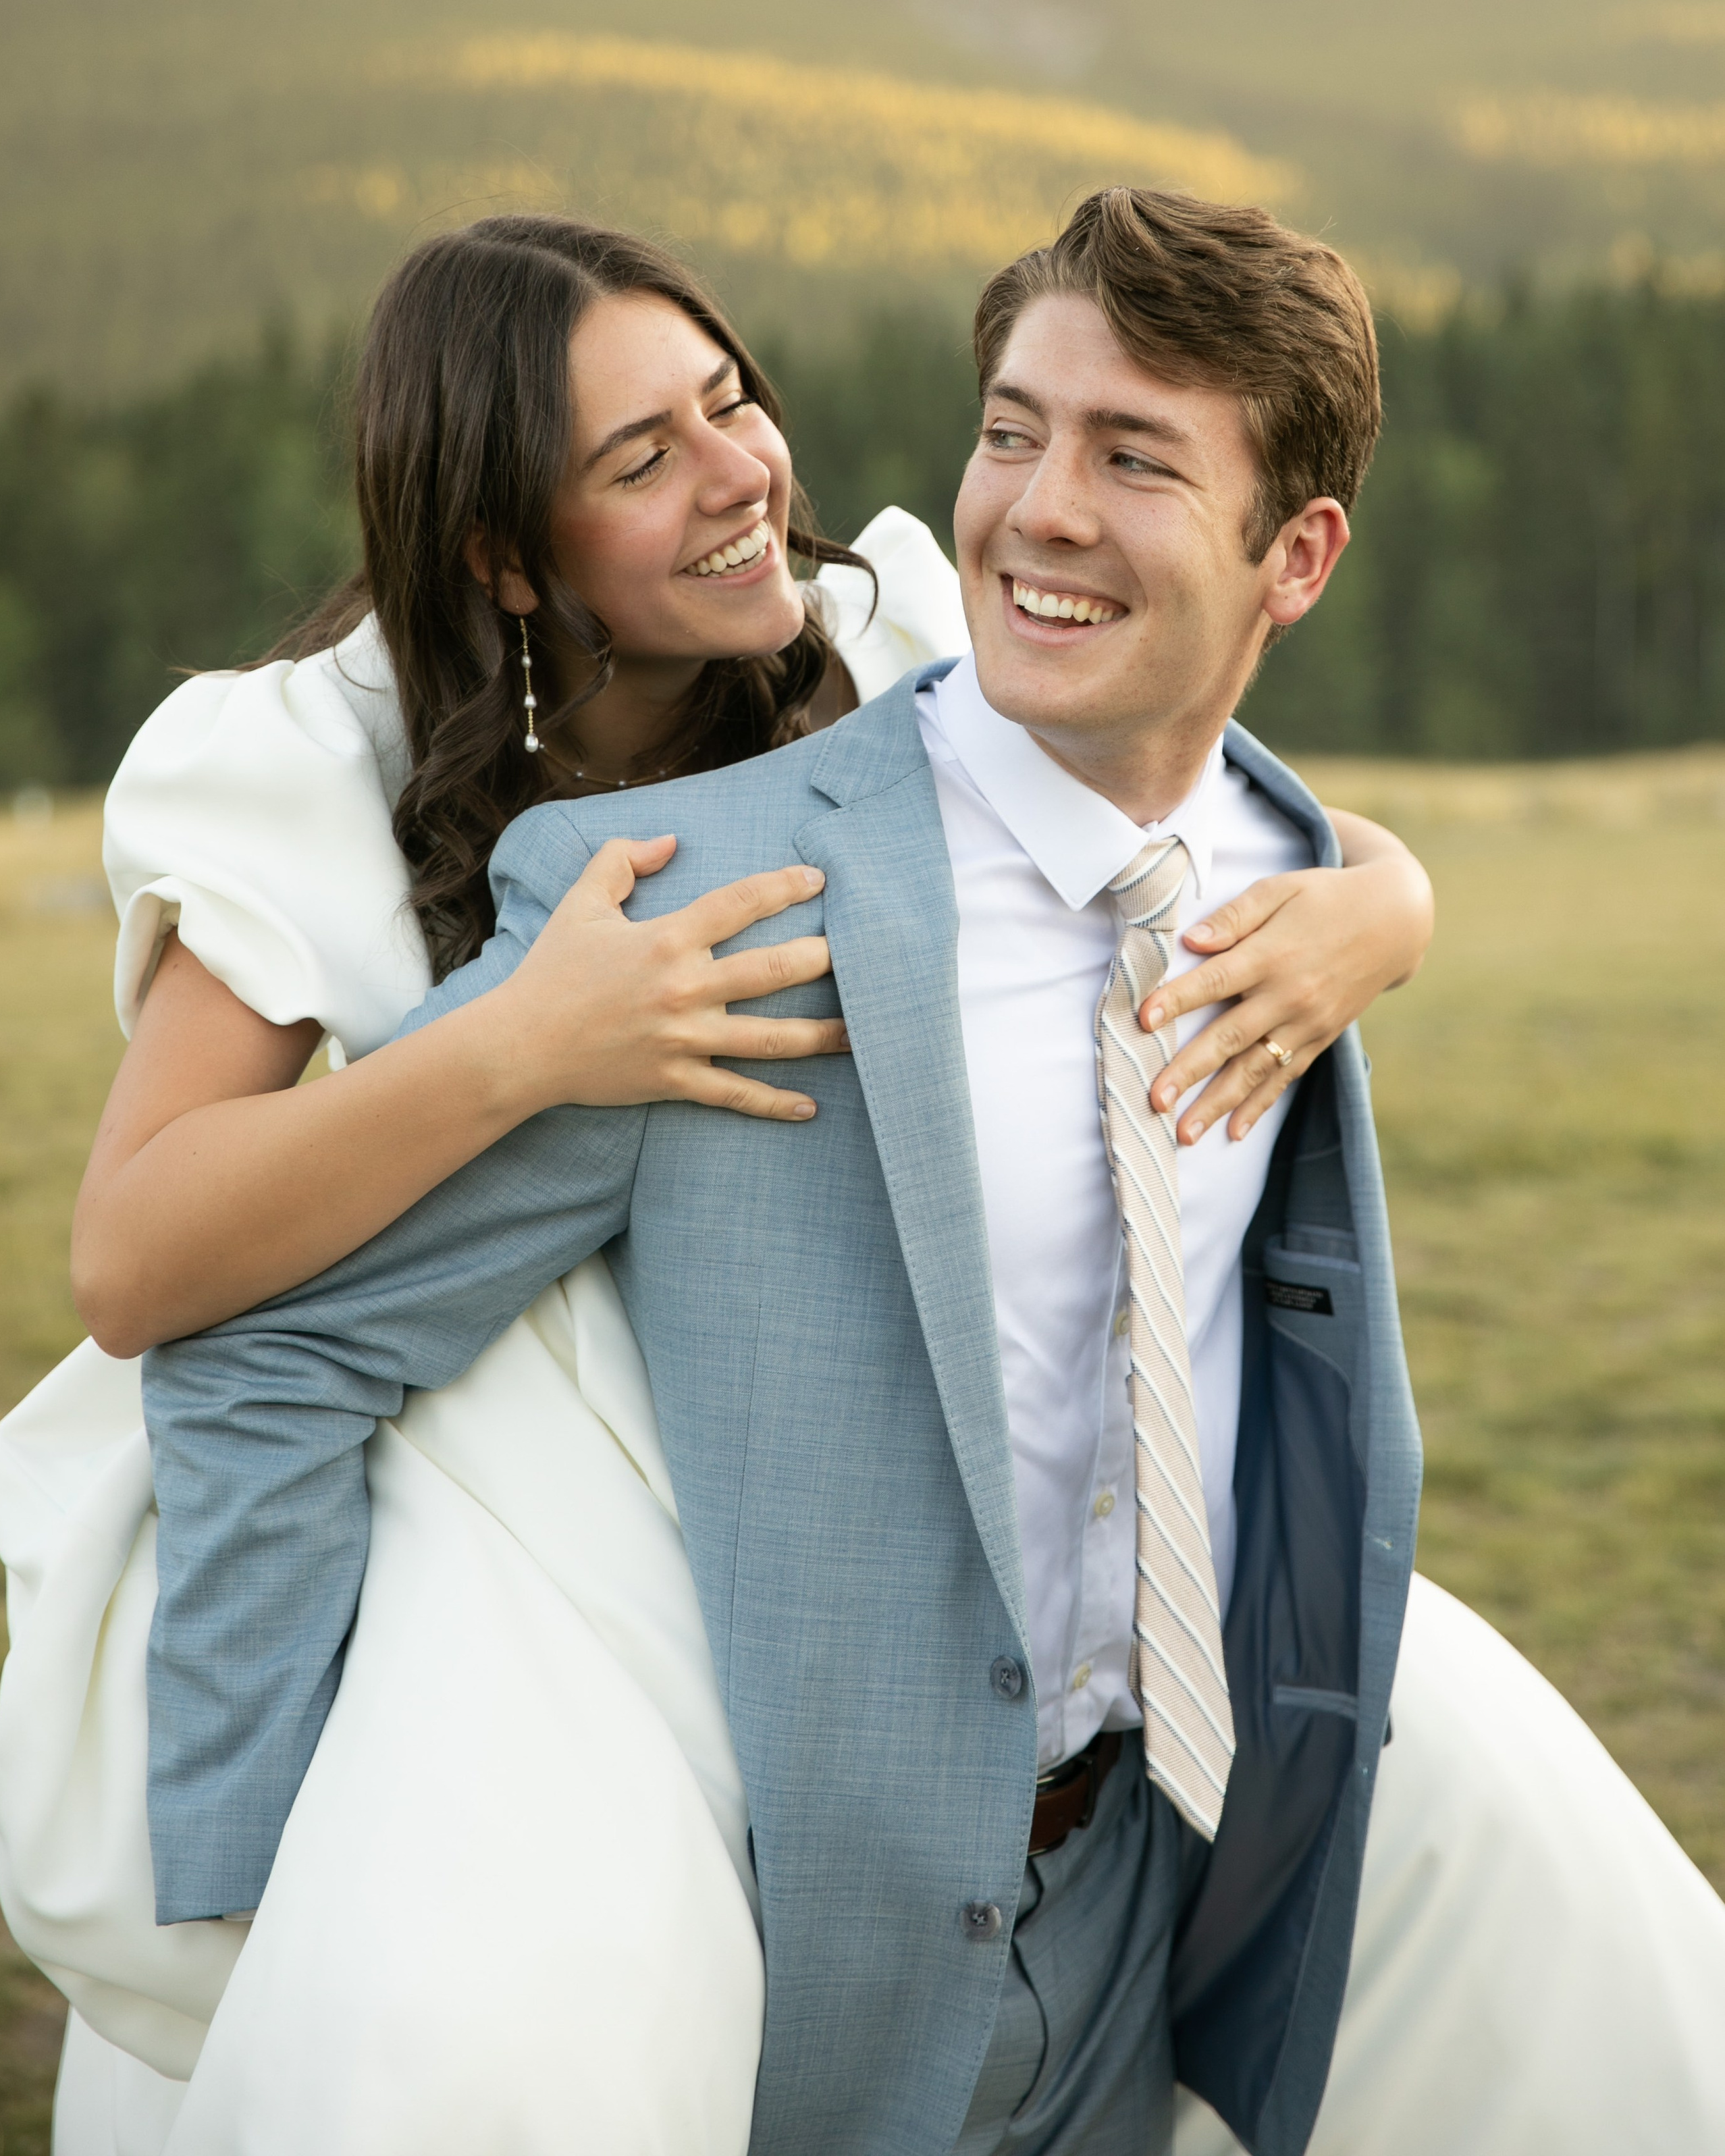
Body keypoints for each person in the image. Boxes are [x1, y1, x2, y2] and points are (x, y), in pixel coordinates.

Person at [124, 195, 1725, 2149]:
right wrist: (273, 1902)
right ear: (513, 556)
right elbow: (224, 1326)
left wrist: (1387, 900)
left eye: (1133, 458)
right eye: (1011, 432)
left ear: (1297, 558)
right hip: (775, 1894)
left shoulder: (1255, 863)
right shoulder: (683, 921)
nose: (1040, 510)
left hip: (1155, 1886)